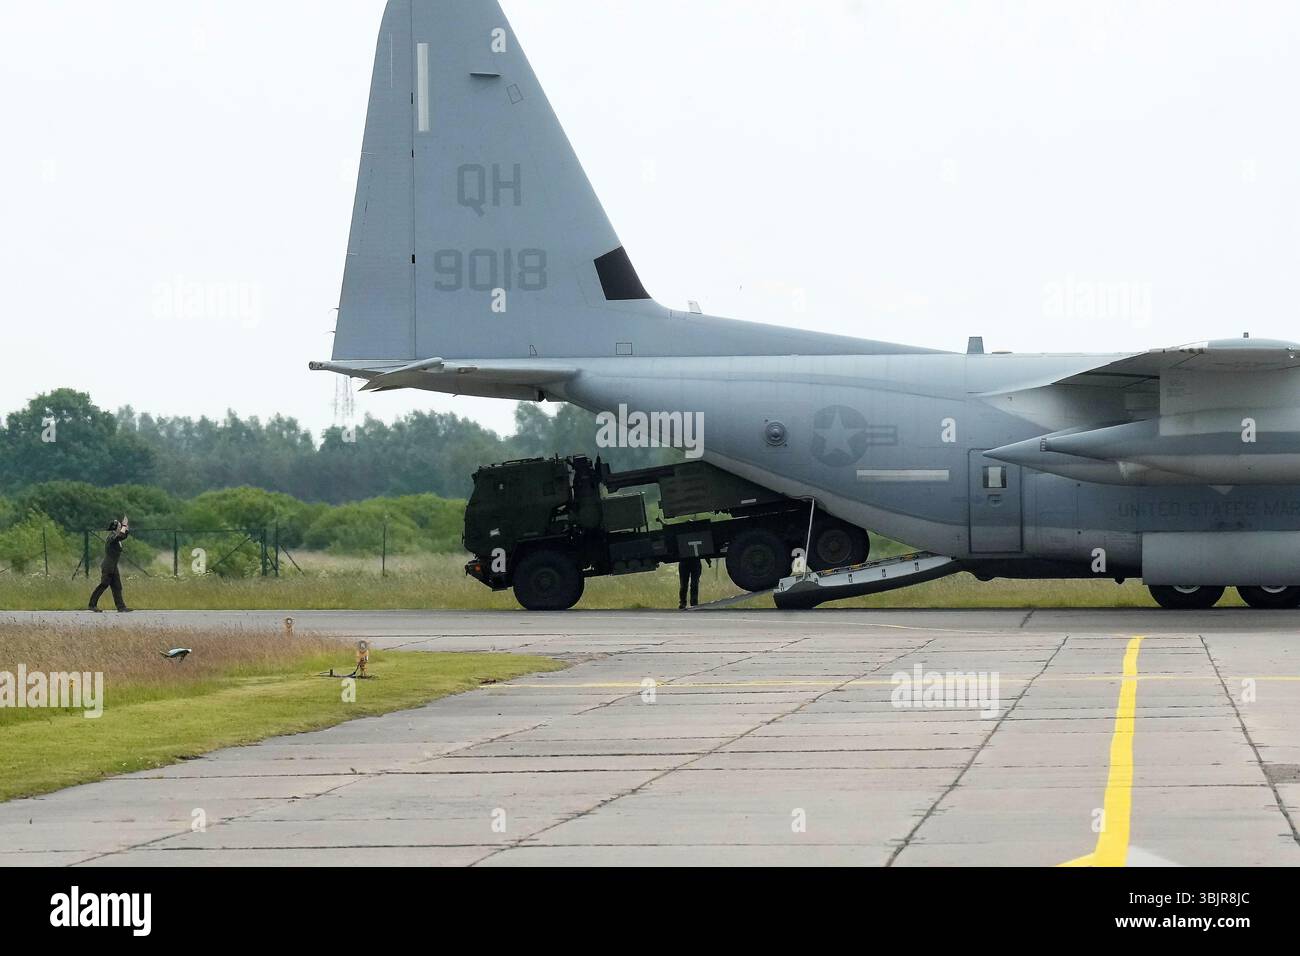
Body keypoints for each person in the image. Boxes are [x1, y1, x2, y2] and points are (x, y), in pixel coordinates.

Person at [88, 516, 133, 613]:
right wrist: (124, 525)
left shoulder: (116, 536)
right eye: (120, 526)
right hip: (108, 566)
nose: (121, 527)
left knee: (117, 586)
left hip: (113, 566)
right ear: (116, 527)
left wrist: (126, 527)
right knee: (104, 584)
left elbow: (123, 536)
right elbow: (120, 536)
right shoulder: (111, 537)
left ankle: (121, 607)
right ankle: (92, 604)